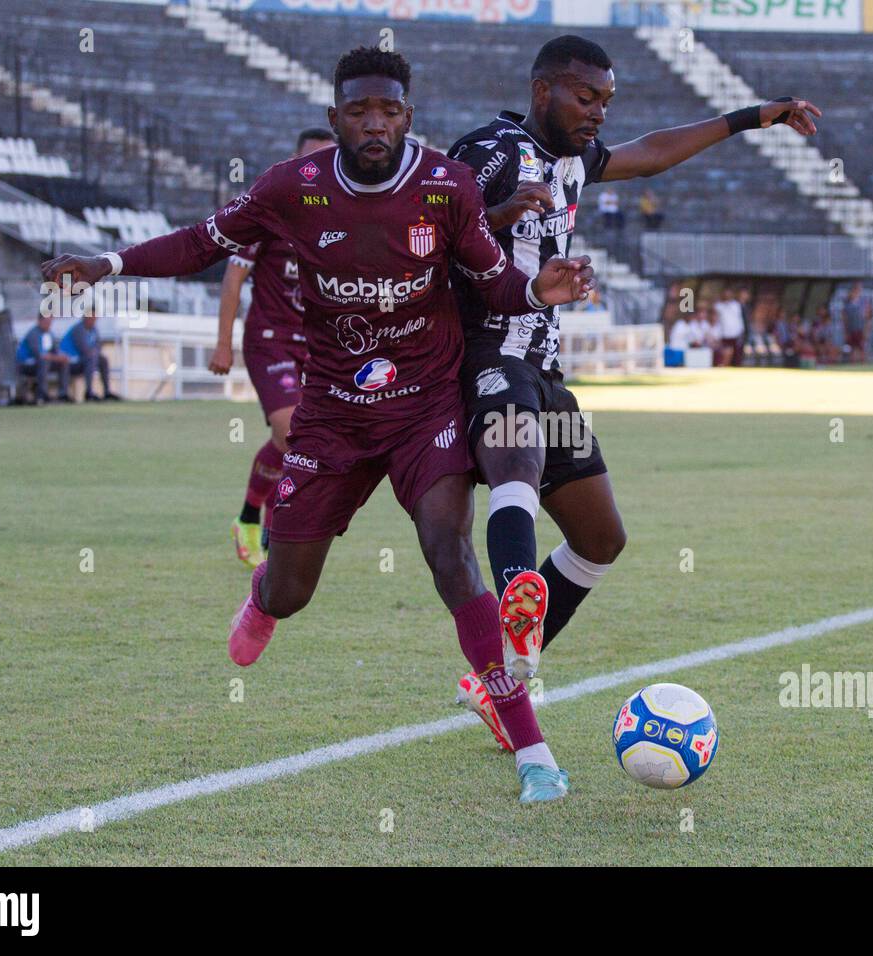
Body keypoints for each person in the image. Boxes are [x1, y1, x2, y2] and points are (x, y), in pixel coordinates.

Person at [41, 48, 595, 804]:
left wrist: (535, 289)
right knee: (293, 589)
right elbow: (202, 242)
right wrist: (107, 264)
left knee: (450, 555)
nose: (376, 124)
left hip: (424, 403)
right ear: (335, 118)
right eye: (360, 112)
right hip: (332, 410)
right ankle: (265, 597)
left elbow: (490, 279)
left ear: (408, 117)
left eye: (391, 111)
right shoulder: (290, 188)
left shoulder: (446, 185)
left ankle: (533, 750)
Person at [447, 33, 819, 749]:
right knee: (515, 460)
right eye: (585, 97)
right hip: (486, 352)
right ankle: (517, 600)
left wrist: (751, 118)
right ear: (542, 90)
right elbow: (430, 236)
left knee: (600, 537)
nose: (598, 113)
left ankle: (495, 681)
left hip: (544, 368)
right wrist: (495, 218)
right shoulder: (488, 151)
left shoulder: (578, 158)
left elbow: (652, 151)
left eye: (606, 101)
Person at [209, 128, 336, 569]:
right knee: (290, 433)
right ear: (294, 161)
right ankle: (255, 520)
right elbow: (233, 278)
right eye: (309, 160)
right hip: (271, 340)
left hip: (319, 347)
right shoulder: (269, 208)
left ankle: (260, 518)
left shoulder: (342, 212)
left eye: (327, 159)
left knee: (302, 442)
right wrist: (223, 343)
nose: (316, 170)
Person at [60, 308, 121, 401]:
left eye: (95, 317)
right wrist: (94, 352)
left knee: (103, 360)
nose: (93, 320)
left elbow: (98, 345)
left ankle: (107, 391)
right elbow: (84, 349)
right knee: (90, 358)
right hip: (71, 362)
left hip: (85, 360)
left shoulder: (93, 329)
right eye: (91, 317)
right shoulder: (78, 329)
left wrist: (95, 352)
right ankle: (89, 392)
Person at [16, 313, 71, 403]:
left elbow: (55, 351)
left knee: (63, 362)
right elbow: (40, 355)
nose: (48, 324)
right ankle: (42, 393)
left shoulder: (49, 334)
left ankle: (63, 393)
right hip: (26, 364)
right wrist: (55, 358)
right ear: (39, 321)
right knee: (44, 361)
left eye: (50, 322)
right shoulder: (33, 334)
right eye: (46, 322)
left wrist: (63, 356)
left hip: (43, 363)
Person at [714, 286, 746, 367]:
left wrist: (741, 330)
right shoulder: (719, 306)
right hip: (724, 334)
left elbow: (739, 319)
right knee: (725, 353)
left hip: (736, 334)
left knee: (737, 354)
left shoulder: (736, 305)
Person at [842, 282, 871, 363]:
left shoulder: (864, 302)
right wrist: (845, 330)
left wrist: (867, 329)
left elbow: (868, 317)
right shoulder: (847, 303)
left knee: (862, 346)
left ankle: (863, 363)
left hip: (860, 328)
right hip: (851, 328)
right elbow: (844, 317)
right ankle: (853, 363)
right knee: (852, 347)